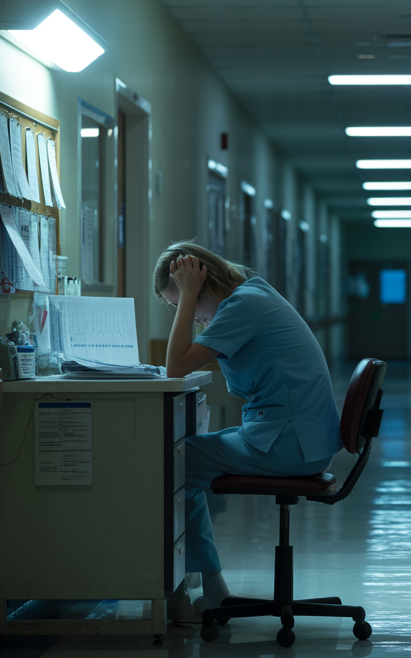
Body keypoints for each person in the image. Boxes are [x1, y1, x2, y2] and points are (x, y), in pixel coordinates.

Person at [154, 241, 342, 622]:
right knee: (183, 456)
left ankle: (192, 593)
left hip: (290, 443)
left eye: (184, 305)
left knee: (174, 463)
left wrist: (187, 294)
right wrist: (191, 298)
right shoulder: (253, 294)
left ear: (201, 285)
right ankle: (210, 587)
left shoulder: (243, 306)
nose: (190, 316)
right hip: (297, 437)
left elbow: (175, 367)